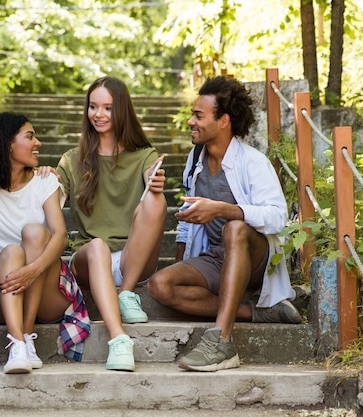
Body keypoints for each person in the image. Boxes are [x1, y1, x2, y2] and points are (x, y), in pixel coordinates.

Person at [147, 75, 301, 372]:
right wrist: (182, 266)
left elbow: (277, 217)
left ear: (223, 121)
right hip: (217, 257)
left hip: (254, 256)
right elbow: (187, 221)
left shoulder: (252, 162)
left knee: (235, 227)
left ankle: (222, 341)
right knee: (160, 285)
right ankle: (255, 313)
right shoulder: (195, 161)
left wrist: (224, 210)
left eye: (198, 115)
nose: (191, 122)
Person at [0, 112, 89, 374]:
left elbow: (60, 235)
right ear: (6, 144)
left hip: (46, 289)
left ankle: (25, 338)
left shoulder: (45, 181)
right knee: (10, 252)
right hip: (1, 290)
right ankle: (17, 343)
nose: (37, 142)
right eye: (30, 136)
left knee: (35, 233)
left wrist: (33, 270)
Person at [56, 76, 167, 372]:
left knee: (158, 200)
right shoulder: (71, 159)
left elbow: (150, 181)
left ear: (122, 110)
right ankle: (119, 340)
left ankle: (127, 293)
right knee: (96, 247)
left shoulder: (144, 155)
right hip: (90, 261)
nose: (99, 115)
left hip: (133, 258)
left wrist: (154, 182)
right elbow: (52, 205)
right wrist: (44, 180)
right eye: (93, 107)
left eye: (107, 107)